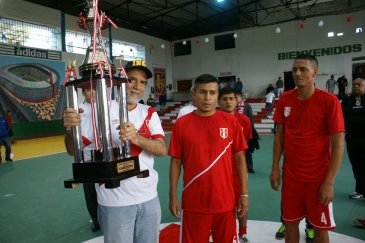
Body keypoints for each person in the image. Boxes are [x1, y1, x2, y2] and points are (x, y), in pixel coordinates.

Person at [63, 60, 166, 243]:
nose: (137, 86)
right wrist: (72, 130)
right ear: (118, 82)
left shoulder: (149, 112)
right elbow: (73, 150)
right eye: (132, 80)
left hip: (149, 198)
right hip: (115, 202)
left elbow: (161, 149)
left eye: (142, 82)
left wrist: (135, 138)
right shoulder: (99, 110)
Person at [270, 54, 344, 243]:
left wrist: (329, 183)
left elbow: (338, 145)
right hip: (291, 178)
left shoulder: (329, 101)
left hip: (318, 179)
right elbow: (279, 136)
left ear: (315, 73)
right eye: (295, 70)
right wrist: (274, 168)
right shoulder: (286, 99)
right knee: (290, 225)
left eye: (303, 69)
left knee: (320, 229)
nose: (298, 73)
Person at [168, 74, 249, 243]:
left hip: (225, 203)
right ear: (193, 95)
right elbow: (175, 160)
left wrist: (244, 194)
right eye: (202, 92)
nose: (207, 97)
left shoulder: (230, 122)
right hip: (193, 203)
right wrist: (172, 195)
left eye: (212, 93)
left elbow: (240, 158)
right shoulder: (182, 124)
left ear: (217, 96)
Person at [218, 87, 252, 243]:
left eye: (231, 98)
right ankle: (225, 233)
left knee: (241, 201)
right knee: (222, 204)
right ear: (219, 101)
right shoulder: (213, 119)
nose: (228, 102)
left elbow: (244, 146)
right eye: (224, 99)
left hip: (238, 169)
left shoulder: (244, 120)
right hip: (220, 170)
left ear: (237, 99)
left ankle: (242, 233)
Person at [77, 88, 100, 232]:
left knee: (110, 189)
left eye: (94, 89)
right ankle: (96, 219)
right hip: (87, 157)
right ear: (83, 93)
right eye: (87, 90)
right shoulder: (78, 110)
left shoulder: (109, 106)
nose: (92, 92)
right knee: (91, 192)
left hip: (106, 155)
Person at [342, 78, 365, 199]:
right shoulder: (347, 101)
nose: (356, 86)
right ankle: (359, 190)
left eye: (359, 85)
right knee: (355, 164)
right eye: (355, 85)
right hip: (352, 139)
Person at [235, 91, 257, 173]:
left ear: (241, 97)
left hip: (245, 131)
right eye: (235, 97)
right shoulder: (232, 107)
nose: (236, 99)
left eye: (237, 97)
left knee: (247, 150)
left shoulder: (247, 106)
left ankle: (249, 167)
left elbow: (251, 119)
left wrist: (250, 130)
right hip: (235, 131)